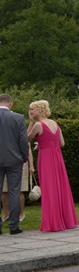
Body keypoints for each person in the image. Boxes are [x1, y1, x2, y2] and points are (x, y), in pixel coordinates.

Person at [26, 100, 78, 232]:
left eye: (32, 109)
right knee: (60, 187)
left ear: (39, 110)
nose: (30, 112)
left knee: (49, 188)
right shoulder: (55, 123)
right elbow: (62, 143)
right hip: (57, 156)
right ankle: (67, 220)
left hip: (46, 158)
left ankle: (53, 222)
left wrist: (31, 123)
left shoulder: (38, 124)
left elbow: (26, 139)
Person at [0, 94, 29, 233]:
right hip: (14, 160)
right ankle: (13, 226)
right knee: (14, 192)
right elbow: (23, 140)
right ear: (10, 104)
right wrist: (24, 157)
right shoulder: (18, 118)